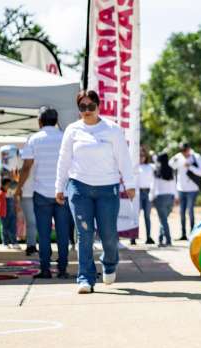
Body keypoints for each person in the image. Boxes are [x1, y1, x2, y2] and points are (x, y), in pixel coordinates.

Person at [55, 90, 136, 294]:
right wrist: (59, 187)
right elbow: (63, 160)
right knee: (85, 234)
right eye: (83, 107)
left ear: (99, 106)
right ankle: (85, 278)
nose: (87, 111)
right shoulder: (72, 130)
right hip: (79, 187)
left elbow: (124, 159)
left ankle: (109, 264)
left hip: (107, 188)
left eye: (91, 106)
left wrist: (130, 184)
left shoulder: (112, 129)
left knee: (108, 235)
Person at [17, 106, 71, 279]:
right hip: (62, 192)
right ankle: (62, 269)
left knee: (44, 233)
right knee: (63, 233)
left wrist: (18, 188)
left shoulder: (34, 139)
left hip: (41, 193)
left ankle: (45, 269)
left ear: (39, 121)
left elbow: (26, 167)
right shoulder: (65, 137)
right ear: (56, 121)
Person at [169, 143, 201, 240]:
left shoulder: (196, 156)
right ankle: (183, 234)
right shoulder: (179, 156)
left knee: (190, 211)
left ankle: (192, 233)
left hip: (192, 189)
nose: (184, 154)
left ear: (189, 149)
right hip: (181, 189)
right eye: (182, 152)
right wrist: (176, 158)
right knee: (181, 212)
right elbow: (171, 165)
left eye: (185, 151)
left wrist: (190, 166)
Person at [150, 152, 177, 247]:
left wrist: (151, 197)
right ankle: (160, 239)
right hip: (170, 197)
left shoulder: (157, 171)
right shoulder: (171, 171)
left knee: (163, 220)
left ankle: (168, 240)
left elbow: (153, 186)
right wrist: (176, 197)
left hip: (160, 198)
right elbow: (174, 185)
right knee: (164, 220)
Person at [135, 146, 155, 245]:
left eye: (143, 155)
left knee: (147, 216)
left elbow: (153, 181)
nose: (141, 157)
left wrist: (152, 193)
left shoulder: (150, 167)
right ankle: (133, 237)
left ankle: (148, 237)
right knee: (136, 216)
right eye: (139, 155)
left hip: (147, 192)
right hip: (138, 193)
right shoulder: (135, 167)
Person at [18, 156, 38, 256]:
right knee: (31, 222)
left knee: (33, 222)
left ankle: (32, 246)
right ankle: (31, 246)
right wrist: (18, 189)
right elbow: (23, 172)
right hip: (28, 193)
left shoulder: (40, 158)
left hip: (38, 193)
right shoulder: (23, 160)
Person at [0, 178, 17, 248]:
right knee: (5, 228)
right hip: (3, 214)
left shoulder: (12, 193)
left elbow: (14, 202)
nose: (9, 187)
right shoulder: (1, 193)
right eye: (8, 185)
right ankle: (5, 243)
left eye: (10, 185)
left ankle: (14, 242)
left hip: (12, 214)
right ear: (3, 185)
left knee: (13, 228)